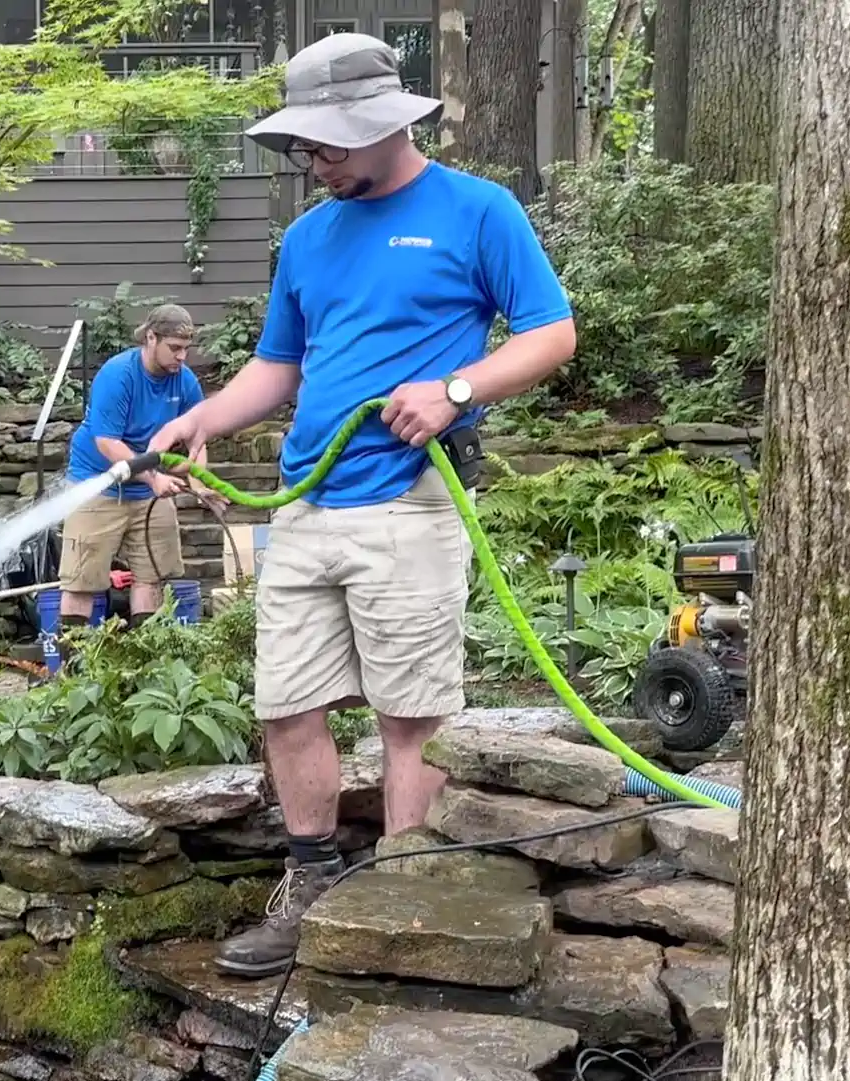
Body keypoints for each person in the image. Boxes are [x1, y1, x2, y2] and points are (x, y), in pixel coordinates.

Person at [148, 32, 577, 978]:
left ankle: (401, 887)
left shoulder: (477, 211)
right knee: (287, 703)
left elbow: (551, 333)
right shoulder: (308, 237)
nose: (313, 162)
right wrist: (202, 419)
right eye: (303, 146)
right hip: (305, 507)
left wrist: (457, 391)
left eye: (327, 144)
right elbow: (279, 366)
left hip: (410, 502)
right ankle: (309, 884)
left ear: (387, 124)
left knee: (408, 712)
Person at [60, 304, 216, 630]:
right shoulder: (118, 375)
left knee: (152, 576)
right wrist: (154, 478)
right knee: (81, 581)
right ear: (150, 337)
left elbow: (197, 439)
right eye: (174, 348)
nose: (182, 357)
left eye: (186, 349)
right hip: (98, 485)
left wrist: (201, 484)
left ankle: (145, 667)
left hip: (148, 490)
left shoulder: (184, 381)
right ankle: (72, 674)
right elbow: (108, 443)